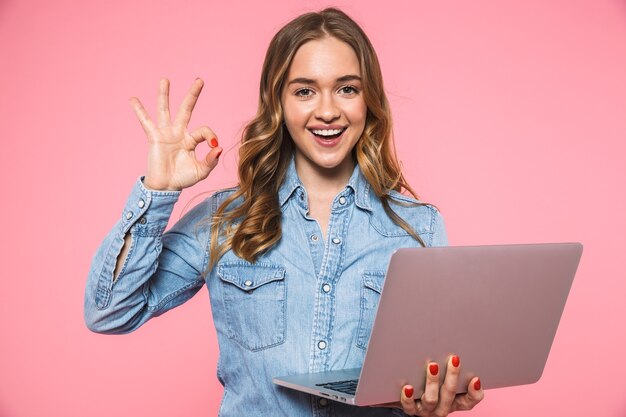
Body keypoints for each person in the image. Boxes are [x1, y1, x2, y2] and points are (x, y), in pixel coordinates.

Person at [84, 7, 484, 417]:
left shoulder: (419, 227)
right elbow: (110, 311)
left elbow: (425, 375)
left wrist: (437, 397)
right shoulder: (224, 220)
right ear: (278, 102)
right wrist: (158, 192)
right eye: (305, 91)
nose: (327, 111)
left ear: (369, 99)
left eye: (347, 88)